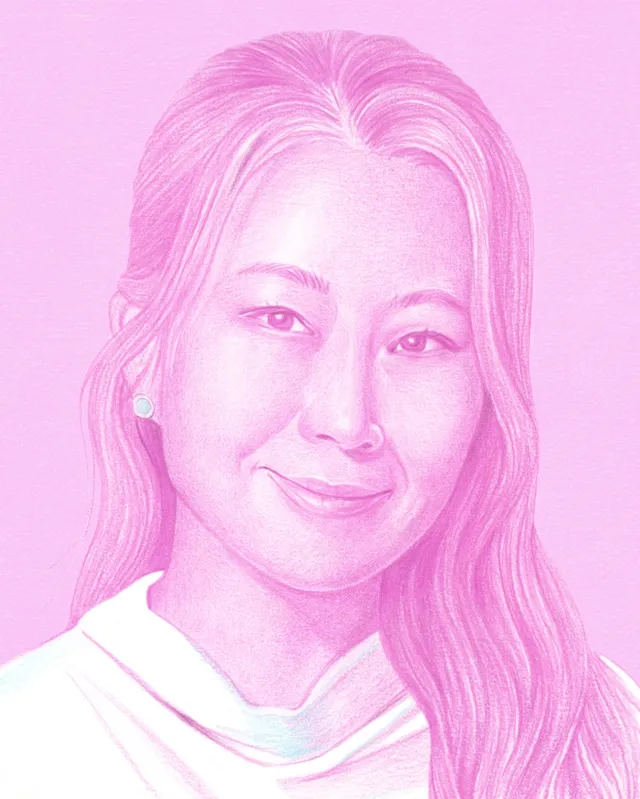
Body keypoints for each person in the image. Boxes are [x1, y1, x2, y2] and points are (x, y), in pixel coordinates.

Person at [0, 29, 638, 798]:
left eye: (420, 339)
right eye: (280, 318)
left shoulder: (600, 745)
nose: (345, 417)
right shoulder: (25, 744)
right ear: (147, 350)